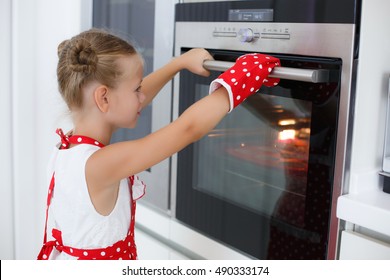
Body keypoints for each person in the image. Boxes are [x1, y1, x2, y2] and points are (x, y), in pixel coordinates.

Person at [37, 28, 280, 260]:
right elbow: (187, 129)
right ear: (103, 98)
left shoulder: (69, 148)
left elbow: (125, 102)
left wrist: (178, 63)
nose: (142, 97)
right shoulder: (100, 164)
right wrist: (241, 80)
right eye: (137, 89)